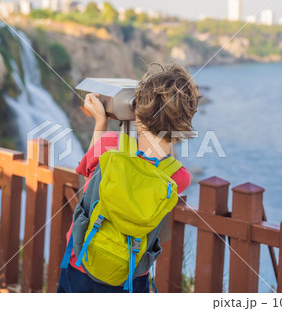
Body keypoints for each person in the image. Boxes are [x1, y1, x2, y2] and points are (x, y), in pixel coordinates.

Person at [57, 63, 200, 293]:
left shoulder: (108, 145)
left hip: (82, 257)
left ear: (138, 111)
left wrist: (101, 123)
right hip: (130, 273)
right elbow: (159, 159)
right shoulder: (179, 177)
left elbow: (86, 172)